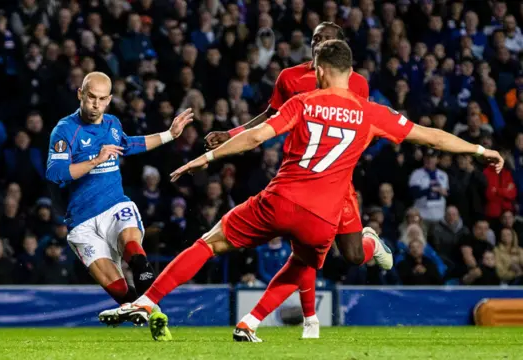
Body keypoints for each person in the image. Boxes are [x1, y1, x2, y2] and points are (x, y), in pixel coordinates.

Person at [99, 40, 503, 342]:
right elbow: (429, 137)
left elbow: (256, 137)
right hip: (324, 219)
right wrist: (480, 148)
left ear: (322, 70)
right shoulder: (371, 111)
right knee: (305, 264)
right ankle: (259, 318)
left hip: (280, 201)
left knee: (210, 243)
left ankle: (149, 300)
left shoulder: (305, 102)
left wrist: (205, 160)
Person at [205, 21, 372, 339]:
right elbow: (269, 117)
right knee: (304, 245)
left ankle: (369, 245)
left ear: (341, 47)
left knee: (349, 254)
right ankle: (307, 320)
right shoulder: (290, 77)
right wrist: (231, 134)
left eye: (326, 38)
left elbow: (365, 125)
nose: (318, 41)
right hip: (296, 173)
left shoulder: (358, 85)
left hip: (335, 179)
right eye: (315, 37)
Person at [45, 71, 193, 341]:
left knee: (133, 250)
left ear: (109, 99)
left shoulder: (112, 124)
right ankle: (153, 315)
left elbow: (129, 144)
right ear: (80, 94)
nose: (96, 104)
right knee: (120, 291)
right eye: (91, 97)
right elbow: (56, 173)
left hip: (115, 206)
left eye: (102, 99)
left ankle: (146, 309)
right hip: (81, 222)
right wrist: (95, 160)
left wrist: (170, 135)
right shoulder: (65, 130)